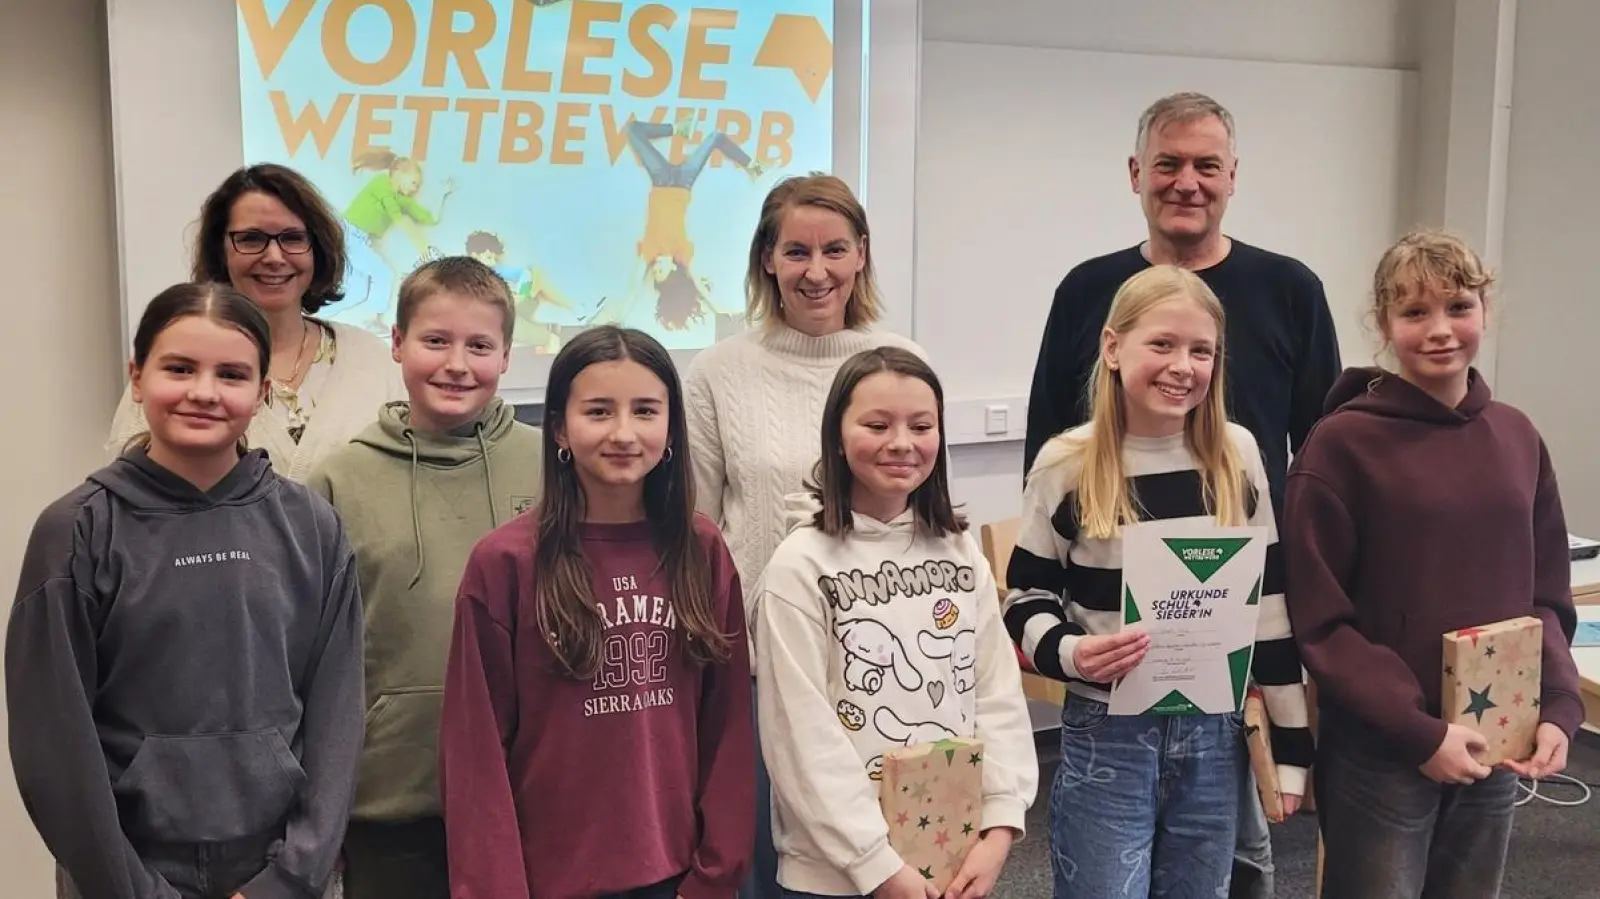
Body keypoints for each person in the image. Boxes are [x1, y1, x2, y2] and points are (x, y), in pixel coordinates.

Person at [1020, 91, 1337, 896]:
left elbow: (1323, 461)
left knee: (1233, 872)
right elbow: (1040, 532)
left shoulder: (1289, 294)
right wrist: (1066, 647)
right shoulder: (1085, 295)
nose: (1187, 181)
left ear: (1233, 176)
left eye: (1206, 164)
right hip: (1108, 714)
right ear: (1137, 173)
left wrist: (1292, 728)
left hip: (1222, 696)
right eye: (1168, 163)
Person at [8, 282, 364, 899]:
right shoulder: (77, 530)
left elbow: (338, 716)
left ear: (262, 393)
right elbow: (53, 740)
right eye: (179, 368)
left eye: (231, 373)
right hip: (124, 874)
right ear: (138, 377)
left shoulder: (311, 525)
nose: (203, 391)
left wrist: (291, 877)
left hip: (280, 871)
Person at [1283, 229, 1582, 899]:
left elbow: (1547, 596)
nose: (1440, 329)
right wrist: (1418, 730)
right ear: (1384, 324)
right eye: (1415, 312)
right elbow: (1321, 619)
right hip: (1385, 748)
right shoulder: (1341, 446)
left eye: (1458, 306)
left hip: (1494, 735)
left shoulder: (1516, 435)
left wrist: (1558, 706)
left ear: (1485, 311)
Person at [1004, 265, 1311, 899]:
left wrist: (1292, 746)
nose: (1183, 366)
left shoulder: (1237, 455)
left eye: (1202, 350)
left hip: (1214, 733)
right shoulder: (1067, 463)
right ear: (1113, 348)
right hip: (1107, 732)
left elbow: (1270, 607)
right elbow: (1024, 597)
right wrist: (1070, 653)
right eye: (1162, 345)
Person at [440, 326, 754, 898]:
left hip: (679, 879)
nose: (624, 433)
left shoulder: (702, 552)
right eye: (599, 411)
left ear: (671, 426)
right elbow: (475, 756)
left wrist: (715, 875)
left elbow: (729, 727)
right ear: (559, 426)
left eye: (645, 410)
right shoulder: (504, 564)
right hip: (547, 881)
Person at [682, 173, 925, 899]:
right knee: (773, 865)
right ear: (767, 259)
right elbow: (695, 524)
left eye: (834, 250)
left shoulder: (901, 362)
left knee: (889, 864)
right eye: (796, 251)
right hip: (760, 669)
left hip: (889, 665)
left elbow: (926, 511)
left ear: (861, 256)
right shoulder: (719, 370)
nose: (816, 271)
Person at [754, 346, 1038, 899]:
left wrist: (1000, 824)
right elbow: (801, 735)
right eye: (877, 425)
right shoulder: (800, 566)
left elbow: (996, 695)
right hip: (838, 872)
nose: (902, 443)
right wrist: (876, 865)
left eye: (922, 425)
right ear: (837, 435)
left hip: (952, 849)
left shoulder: (958, 553)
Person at [305, 257, 544, 899]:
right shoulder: (335, 482)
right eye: (435, 340)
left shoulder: (553, 467)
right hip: (392, 800)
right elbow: (309, 656)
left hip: (531, 795)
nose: (457, 364)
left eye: (480, 346)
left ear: (507, 356)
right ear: (397, 342)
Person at [107, 163, 405, 482]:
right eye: (251, 239)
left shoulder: (374, 360)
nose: (275, 257)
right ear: (220, 251)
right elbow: (133, 490)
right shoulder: (173, 370)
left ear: (317, 249)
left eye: (292, 238)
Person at [595, 118, 766, 333]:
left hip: (661, 179)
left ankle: (678, 128)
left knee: (632, 130)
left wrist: (619, 316)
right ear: (673, 268)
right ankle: (753, 167)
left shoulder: (649, 250)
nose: (655, 267)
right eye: (660, 271)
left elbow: (632, 289)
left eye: (654, 270)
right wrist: (718, 309)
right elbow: (700, 287)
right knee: (715, 137)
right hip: (684, 183)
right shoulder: (681, 253)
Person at [342, 150, 455, 328]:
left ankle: (315, 319)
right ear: (399, 174)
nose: (415, 189)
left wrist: (442, 194)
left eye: (418, 186)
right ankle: (375, 322)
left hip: (361, 239)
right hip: (347, 233)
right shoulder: (381, 183)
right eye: (414, 183)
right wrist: (424, 249)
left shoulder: (403, 201)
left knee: (357, 292)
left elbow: (430, 218)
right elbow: (397, 217)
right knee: (383, 274)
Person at [465, 229, 581, 353]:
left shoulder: (494, 269)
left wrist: (522, 293)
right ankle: (547, 338)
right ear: (474, 255)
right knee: (505, 321)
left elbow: (524, 273)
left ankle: (575, 308)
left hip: (512, 307)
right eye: (488, 257)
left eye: (494, 258)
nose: (492, 262)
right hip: (496, 318)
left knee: (537, 274)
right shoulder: (465, 276)